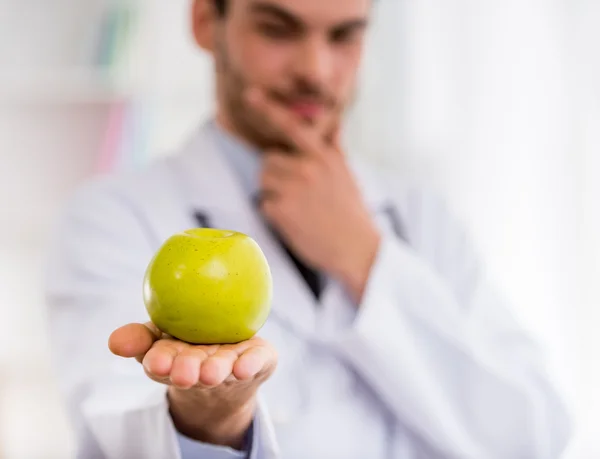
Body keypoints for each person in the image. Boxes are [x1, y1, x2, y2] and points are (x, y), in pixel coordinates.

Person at [44, 0, 573, 458]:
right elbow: (115, 434)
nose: (316, 71)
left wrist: (365, 259)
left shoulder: (421, 215)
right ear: (207, 21)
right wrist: (211, 417)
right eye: (277, 29)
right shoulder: (113, 215)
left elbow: (533, 434)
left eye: (344, 35)